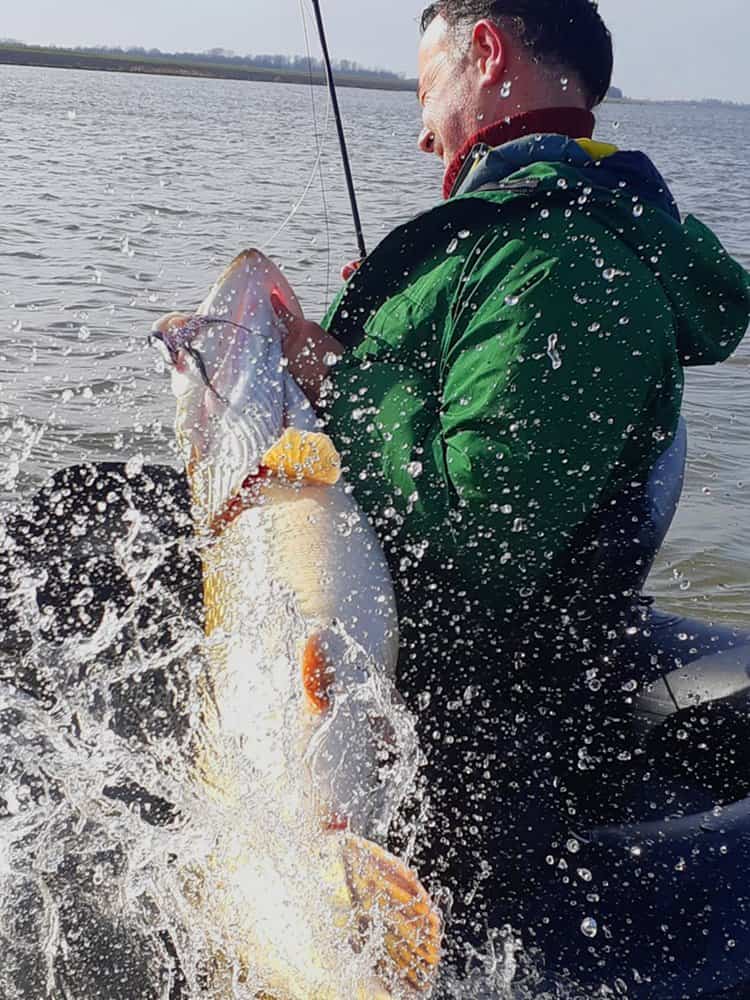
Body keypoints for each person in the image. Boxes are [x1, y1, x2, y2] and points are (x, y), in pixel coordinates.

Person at [272, 0, 750, 993]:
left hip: (478, 757)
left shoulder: (560, 258)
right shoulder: (513, 240)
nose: (420, 130)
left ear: (486, 52)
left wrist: (344, 377)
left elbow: (482, 533)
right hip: (439, 689)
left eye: (424, 89)